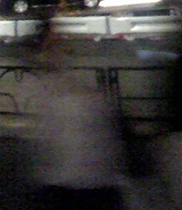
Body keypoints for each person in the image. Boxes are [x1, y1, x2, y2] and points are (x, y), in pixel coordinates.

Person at [24, 22, 126, 209]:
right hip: (81, 177)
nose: (61, 45)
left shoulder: (53, 82)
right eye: (54, 43)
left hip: (72, 176)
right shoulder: (49, 85)